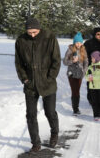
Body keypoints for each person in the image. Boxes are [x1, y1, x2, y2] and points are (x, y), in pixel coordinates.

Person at [15, 18, 61, 152]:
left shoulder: (49, 37)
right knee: (30, 115)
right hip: (30, 84)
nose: (32, 35)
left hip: (48, 83)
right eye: (29, 32)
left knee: (50, 112)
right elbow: (18, 63)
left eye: (34, 32)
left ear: (39, 29)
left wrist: (50, 77)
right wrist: (24, 79)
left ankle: (54, 132)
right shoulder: (21, 40)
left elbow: (56, 60)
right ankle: (35, 143)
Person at [63, 32, 88, 115]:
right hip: (72, 73)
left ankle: (76, 107)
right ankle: (75, 109)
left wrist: (84, 71)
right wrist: (72, 61)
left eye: (80, 42)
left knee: (77, 90)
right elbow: (64, 61)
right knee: (74, 91)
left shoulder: (83, 50)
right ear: (74, 42)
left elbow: (86, 62)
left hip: (80, 73)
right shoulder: (70, 50)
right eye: (77, 42)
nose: (78, 44)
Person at [84, 27, 100, 104]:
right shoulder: (88, 43)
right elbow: (84, 55)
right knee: (91, 84)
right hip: (90, 67)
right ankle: (91, 99)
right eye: (98, 34)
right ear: (94, 35)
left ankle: (99, 100)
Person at [85, 51, 100, 121]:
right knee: (94, 101)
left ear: (97, 58)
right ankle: (96, 114)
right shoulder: (90, 66)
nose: (91, 59)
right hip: (92, 87)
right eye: (91, 58)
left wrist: (93, 78)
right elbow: (86, 76)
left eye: (92, 58)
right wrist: (89, 77)